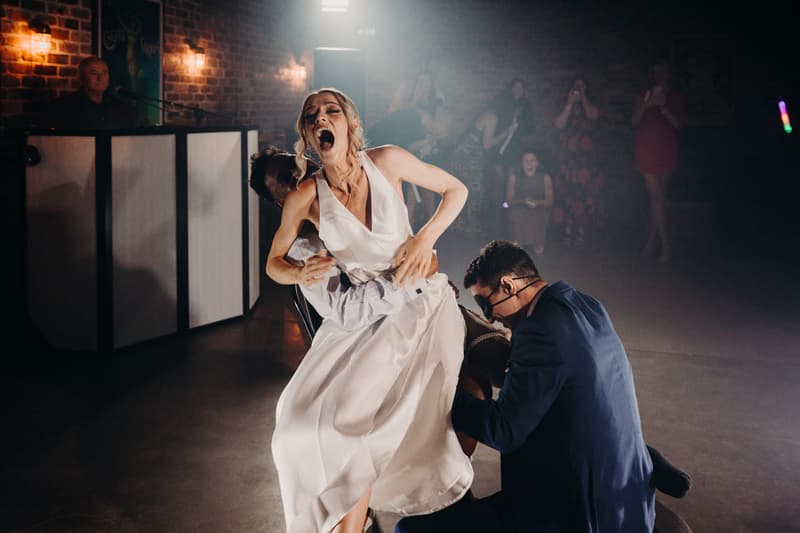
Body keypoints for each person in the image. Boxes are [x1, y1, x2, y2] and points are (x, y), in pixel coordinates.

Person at [267, 88, 471, 533]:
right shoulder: (305, 196)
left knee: (350, 425)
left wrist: (425, 238)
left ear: (349, 124)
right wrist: (300, 273)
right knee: (295, 421)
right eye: (312, 116)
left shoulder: (388, 161)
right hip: (361, 318)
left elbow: (456, 190)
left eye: (332, 111)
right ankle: (351, 522)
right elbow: (273, 263)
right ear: (307, 134)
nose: (322, 119)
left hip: (417, 305)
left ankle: (353, 526)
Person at [398, 240, 657, 532]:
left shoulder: (541, 331)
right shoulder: (585, 305)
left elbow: (503, 431)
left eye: (486, 303)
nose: (489, 317)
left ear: (509, 285)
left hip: (578, 517)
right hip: (628, 502)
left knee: (409, 530)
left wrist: (434, 393)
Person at [632, 60, 685, 263]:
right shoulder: (644, 95)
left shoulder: (675, 96)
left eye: (663, 71)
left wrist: (664, 107)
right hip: (646, 148)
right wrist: (646, 105)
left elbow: (678, 125)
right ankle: (666, 246)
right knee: (656, 197)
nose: (659, 75)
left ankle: (651, 242)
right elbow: (634, 122)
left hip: (666, 148)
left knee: (659, 199)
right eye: (656, 71)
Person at [551, 75, 605, 248]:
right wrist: (569, 103)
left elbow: (594, 116)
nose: (579, 89)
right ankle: (567, 228)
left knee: (583, 195)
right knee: (568, 194)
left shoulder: (590, 103)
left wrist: (583, 98)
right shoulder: (564, 104)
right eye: (576, 86)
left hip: (586, 161)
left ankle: (581, 229)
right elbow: (559, 124)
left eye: (582, 86)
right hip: (567, 160)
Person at [41, 56, 136, 129]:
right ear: (81, 77)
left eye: (104, 73)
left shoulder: (121, 109)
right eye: (93, 73)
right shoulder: (61, 108)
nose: (100, 78)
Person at [505, 148, 554, 254]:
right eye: (526, 161)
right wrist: (523, 201)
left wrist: (537, 203)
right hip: (519, 208)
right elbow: (507, 202)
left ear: (537, 163)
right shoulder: (514, 177)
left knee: (541, 215)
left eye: (532, 161)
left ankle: (539, 246)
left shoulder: (545, 177)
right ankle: (518, 246)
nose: (529, 164)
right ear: (521, 163)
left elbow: (550, 201)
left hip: (539, 209)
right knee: (516, 214)